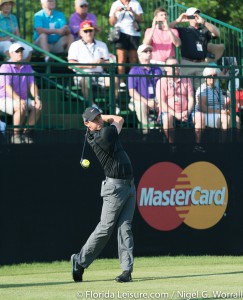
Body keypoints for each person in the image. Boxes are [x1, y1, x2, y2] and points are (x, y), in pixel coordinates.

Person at [71, 106, 136, 283]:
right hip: (115, 189)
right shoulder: (104, 135)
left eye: (100, 117)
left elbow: (116, 121)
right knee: (105, 229)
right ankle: (79, 261)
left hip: (129, 185)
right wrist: (105, 117)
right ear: (87, 123)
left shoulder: (98, 132)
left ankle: (126, 271)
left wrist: (97, 116)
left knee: (126, 228)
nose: (99, 120)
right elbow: (119, 119)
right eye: (95, 119)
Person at [68, 20, 119, 112]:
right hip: (83, 74)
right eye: (85, 31)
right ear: (80, 33)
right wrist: (90, 65)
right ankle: (92, 105)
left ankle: (113, 104)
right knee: (84, 80)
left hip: (99, 73)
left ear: (94, 31)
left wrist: (102, 63)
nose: (88, 33)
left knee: (114, 80)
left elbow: (107, 64)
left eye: (90, 30)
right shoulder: (75, 45)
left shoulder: (102, 45)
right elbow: (71, 65)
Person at [0, 43, 42, 143]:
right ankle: (15, 136)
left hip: (20, 99)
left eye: (21, 51)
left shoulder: (27, 67)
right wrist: (18, 99)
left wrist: (37, 97)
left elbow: (32, 84)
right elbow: (7, 87)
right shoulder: (5, 67)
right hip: (4, 99)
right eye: (17, 51)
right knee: (20, 106)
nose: (20, 53)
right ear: (10, 54)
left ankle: (25, 134)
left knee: (38, 106)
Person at [170, 7, 221, 88]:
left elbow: (217, 33)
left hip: (202, 63)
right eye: (193, 16)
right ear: (188, 17)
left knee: (203, 90)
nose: (196, 17)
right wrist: (178, 20)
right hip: (187, 63)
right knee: (186, 89)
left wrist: (204, 22)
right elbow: (166, 28)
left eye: (197, 15)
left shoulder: (205, 30)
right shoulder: (183, 30)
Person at [156, 56, 194, 147]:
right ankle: (172, 145)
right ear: (166, 68)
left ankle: (197, 145)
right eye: (172, 65)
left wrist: (187, 111)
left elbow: (191, 98)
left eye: (177, 65)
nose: (175, 67)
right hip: (168, 113)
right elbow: (162, 102)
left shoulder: (186, 79)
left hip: (185, 113)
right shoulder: (161, 81)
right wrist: (176, 114)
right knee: (167, 118)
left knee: (199, 116)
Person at [109, 0, 143, 87]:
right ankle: (121, 81)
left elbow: (140, 19)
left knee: (133, 59)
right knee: (121, 58)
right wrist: (116, 11)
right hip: (121, 33)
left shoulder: (135, 4)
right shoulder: (115, 4)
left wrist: (131, 11)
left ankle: (133, 81)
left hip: (133, 33)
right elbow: (111, 22)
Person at [194, 67, 240, 131]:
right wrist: (220, 111)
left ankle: (236, 140)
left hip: (219, 113)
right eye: (210, 76)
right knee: (226, 119)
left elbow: (222, 105)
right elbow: (203, 108)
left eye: (214, 75)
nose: (212, 77)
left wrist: (226, 110)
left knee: (237, 119)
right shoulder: (202, 89)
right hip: (207, 114)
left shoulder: (218, 89)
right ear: (205, 77)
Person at [128, 44, 163, 128]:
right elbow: (132, 92)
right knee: (140, 105)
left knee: (166, 102)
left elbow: (162, 87)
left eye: (150, 51)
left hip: (156, 99)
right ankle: (146, 129)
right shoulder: (134, 70)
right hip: (140, 99)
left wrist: (160, 101)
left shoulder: (157, 69)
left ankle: (162, 128)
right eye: (145, 51)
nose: (149, 53)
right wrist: (147, 102)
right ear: (139, 55)